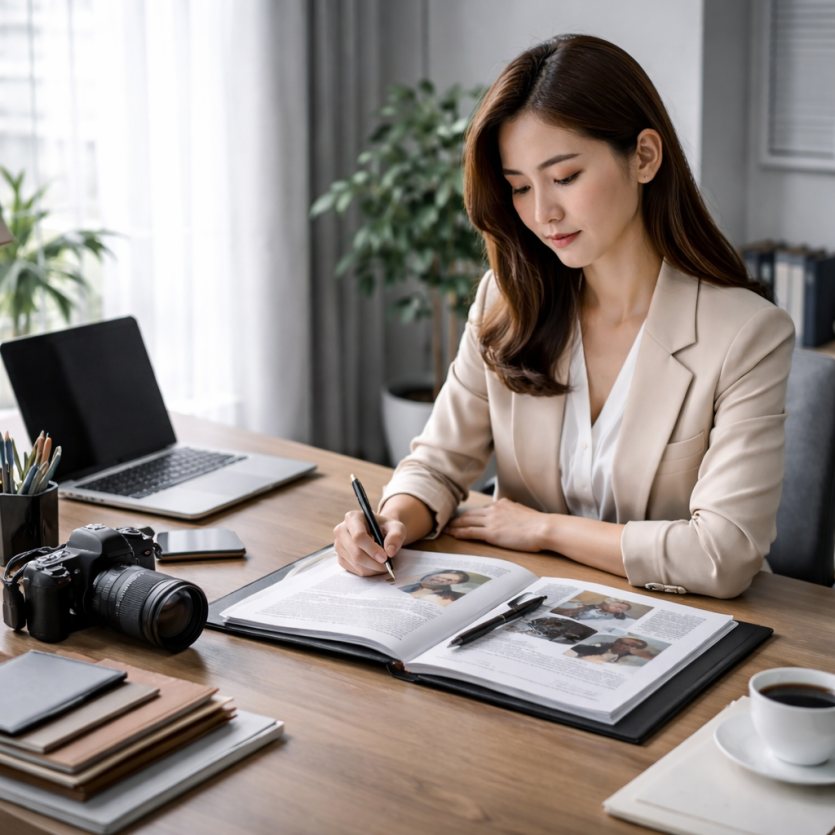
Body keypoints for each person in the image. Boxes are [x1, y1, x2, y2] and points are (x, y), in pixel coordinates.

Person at [334, 35, 794, 599]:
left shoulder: (747, 335)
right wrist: (394, 518)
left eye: (566, 177)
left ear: (645, 157)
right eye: (520, 187)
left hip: (682, 624)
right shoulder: (505, 302)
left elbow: (723, 556)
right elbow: (437, 464)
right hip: (527, 613)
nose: (543, 213)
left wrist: (544, 530)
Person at [552, 599, 638, 630]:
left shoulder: (609, 617)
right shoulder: (595, 603)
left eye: (620, 610)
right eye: (618, 606)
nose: (617, 608)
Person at [397, 570, 470, 606]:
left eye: (449, 582)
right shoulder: (421, 571)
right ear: (450, 572)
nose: (442, 581)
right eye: (448, 579)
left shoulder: (439, 593)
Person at [566, 637, 650, 666]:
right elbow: (573, 649)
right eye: (623, 643)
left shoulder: (622, 660)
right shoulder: (598, 645)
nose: (625, 645)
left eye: (632, 645)